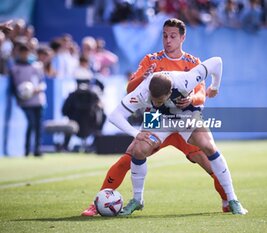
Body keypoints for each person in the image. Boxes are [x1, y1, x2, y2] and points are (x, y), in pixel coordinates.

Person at [81, 18, 228, 216]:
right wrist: (143, 77)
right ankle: (98, 203)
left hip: (183, 119)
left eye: (173, 36)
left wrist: (192, 98)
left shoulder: (193, 63)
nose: (168, 40)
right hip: (155, 118)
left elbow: (202, 94)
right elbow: (130, 89)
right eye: (165, 36)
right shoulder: (151, 60)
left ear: (182, 37)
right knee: (130, 156)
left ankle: (227, 200)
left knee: (209, 162)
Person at [109, 56, 248, 216]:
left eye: (160, 100)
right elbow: (115, 116)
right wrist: (136, 134)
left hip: (185, 115)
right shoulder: (143, 91)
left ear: (169, 92)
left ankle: (232, 199)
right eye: (154, 99)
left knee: (209, 146)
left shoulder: (185, 80)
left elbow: (217, 62)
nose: (157, 101)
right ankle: (137, 200)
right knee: (138, 149)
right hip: (157, 117)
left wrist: (215, 86)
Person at [10, 43, 46, 156]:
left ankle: (37, 149)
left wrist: (37, 89)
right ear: (19, 53)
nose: (25, 54)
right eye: (23, 52)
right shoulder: (15, 68)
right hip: (26, 102)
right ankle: (26, 150)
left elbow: (42, 83)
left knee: (38, 126)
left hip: (38, 100)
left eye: (27, 52)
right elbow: (15, 87)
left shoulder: (36, 66)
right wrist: (21, 96)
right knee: (31, 124)